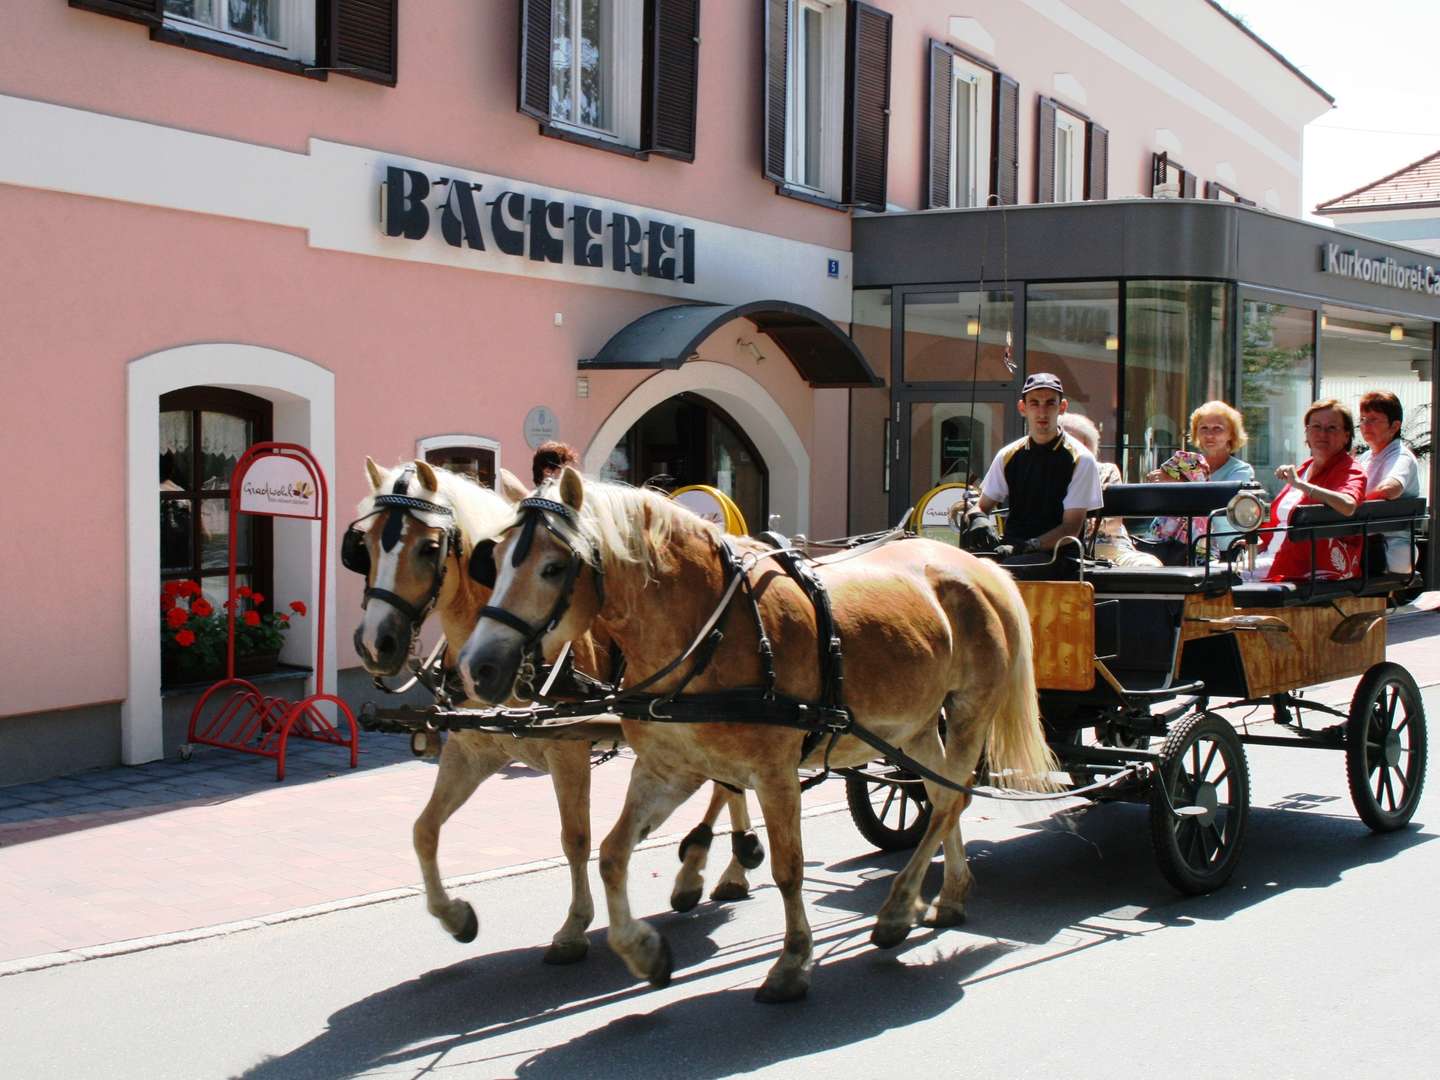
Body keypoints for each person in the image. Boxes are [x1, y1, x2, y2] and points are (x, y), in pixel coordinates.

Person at [978, 373, 1103, 567]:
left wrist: (1025, 547)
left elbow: (1071, 528)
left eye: (1050, 403)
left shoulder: (1081, 459)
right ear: (1022, 408)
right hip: (1011, 553)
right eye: (1034, 403)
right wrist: (976, 518)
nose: (1042, 412)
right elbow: (983, 504)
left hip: (1059, 556)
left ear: (1062, 407)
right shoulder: (1007, 455)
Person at [1252, 399, 1366, 583]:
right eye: (1316, 426)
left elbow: (1348, 505)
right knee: (1213, 570)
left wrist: (1301, 485)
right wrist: (1254, 544)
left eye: (1332, 428)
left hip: (1308, 566)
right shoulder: (1305, 468)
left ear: (1346, 436)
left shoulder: (1350, 469)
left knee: (1219, 579)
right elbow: (1277, 525)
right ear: (1306, 433)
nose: (1322, 434)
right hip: (1273, 558)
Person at [1058, 413, 1161, 567]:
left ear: (1087, 446)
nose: (1067, 445)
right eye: (1061, 440)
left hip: (1110, 548)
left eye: (1073, 440)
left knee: (1148, 564)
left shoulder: (1106, 471)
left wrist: (1080, 522)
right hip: (1061, 548)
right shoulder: (1047, 475)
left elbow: (1113, 521)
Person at [1358, 390, 1421, 574]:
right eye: (1362, 419)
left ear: (1394, 426)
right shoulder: (1365, 458)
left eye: (1373, 419)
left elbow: (1390, 489)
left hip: (1389, 549)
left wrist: (1349, 505)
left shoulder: (1401, 456)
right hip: (1363, 543)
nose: (1365, 425)